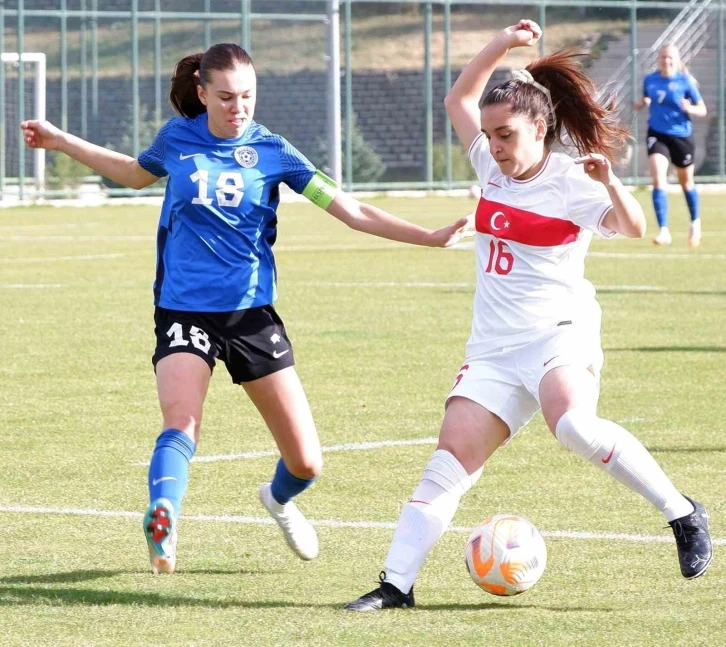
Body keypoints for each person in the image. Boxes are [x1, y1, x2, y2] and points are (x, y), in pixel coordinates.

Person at [21, 43, 472, 575]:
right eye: (227, 97)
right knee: (181, 422)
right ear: (202, 93)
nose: (239, 107)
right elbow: (132, 173)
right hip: (183, 309)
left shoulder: (274, 151)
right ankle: (163, 515)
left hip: (252, 316)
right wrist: (60, 141)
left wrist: (428, 236)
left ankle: (278, 500)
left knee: (306, 462)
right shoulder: (176, 139)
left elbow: (350, 209)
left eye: (248, 97)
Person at [345, 20, 712, 612]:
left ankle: (683, 512)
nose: (494, 146)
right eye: (489, 135)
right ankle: (396, 585)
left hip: (558, 335)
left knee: (572, 425)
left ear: (540, 127)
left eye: (507, 134)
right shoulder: (492, 168)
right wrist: (501, 45)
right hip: (492, 349)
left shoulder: (571, 182)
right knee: (447, 464)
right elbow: (458, 99)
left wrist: (611, 181)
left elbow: (633, 227)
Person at [634, 44, 707, 247]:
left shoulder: (685, 82)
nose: (666, 61)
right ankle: (663, 230)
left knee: (686, 183)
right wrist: (640, 104)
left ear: (677, 60)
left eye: (670, 58)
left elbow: (702, 109)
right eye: (663, 57)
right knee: (658, 178)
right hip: (657, 134)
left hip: (681, 137)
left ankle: (695, 223)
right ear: (659, 59)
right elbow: (641, 101)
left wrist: (689, 107)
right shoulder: (650, 80)